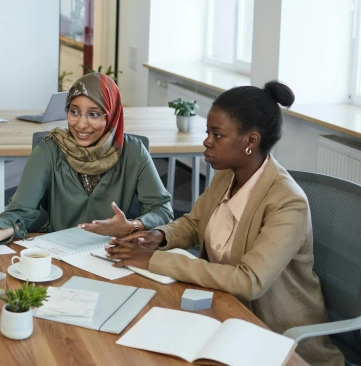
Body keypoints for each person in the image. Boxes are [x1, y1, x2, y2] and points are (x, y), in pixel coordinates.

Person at [105, 82, 344, 366]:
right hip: (223, 311)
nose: (207, 141)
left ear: (250, 141)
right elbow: (195, 223)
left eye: (217, 135)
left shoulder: (287, 202)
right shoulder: (227, 174)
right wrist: (158, 236)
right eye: (209, 132)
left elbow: (248, 281)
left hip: (276, 338)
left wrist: (154, 261)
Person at [0, 73, 173, 246]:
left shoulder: (133, 152)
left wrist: (132, 226)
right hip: (59, 253)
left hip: (115, 251)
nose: (81, 124)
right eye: (74, 112)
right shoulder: (50, 149)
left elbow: (162, 209)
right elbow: (21, 211)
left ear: (111, 116)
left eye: (94, 114)